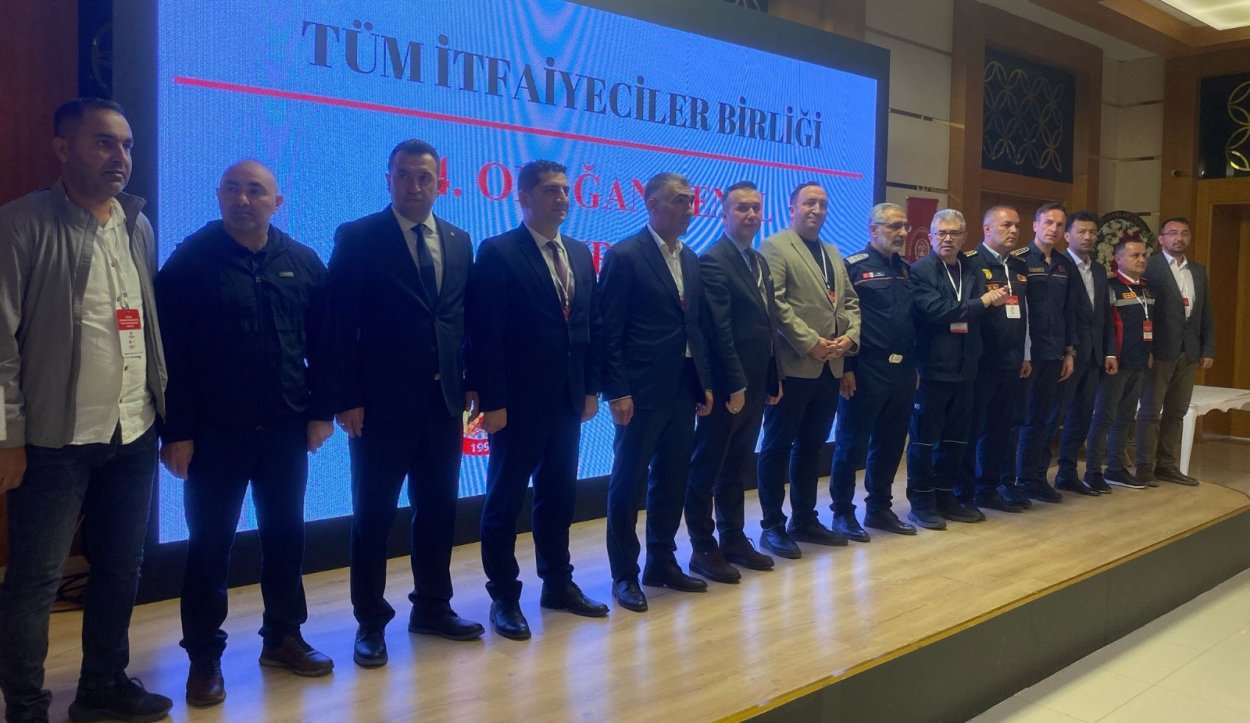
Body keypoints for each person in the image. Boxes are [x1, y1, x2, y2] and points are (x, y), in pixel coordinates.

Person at [0, 98, 173, 722]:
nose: (120, 157)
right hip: (52, 440)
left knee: (121, 567)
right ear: (62, 148)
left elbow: (143, 325)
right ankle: (25, 706)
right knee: (35, 580)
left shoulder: (136, 226)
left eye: (126, 145)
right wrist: (7, 436)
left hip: (133, 431)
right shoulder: (20, 224)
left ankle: (103, 686)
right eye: (103, 142)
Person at [155, 160, 335, 707]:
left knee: (286, 537)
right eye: (232, 189)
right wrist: (177, 431)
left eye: (256, 191)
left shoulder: (302, 261)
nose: (243, 199)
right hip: (214, 436)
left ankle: (283, 637)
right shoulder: (189, 262)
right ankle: (203, 658)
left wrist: (320, 412)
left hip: (284, 430)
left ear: (277, 203)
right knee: (210, 547)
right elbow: (169, 356)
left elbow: (326, 345)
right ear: (218, 196)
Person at [322, 139, 482, 668]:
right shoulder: (359, 236)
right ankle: (370, 621)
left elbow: (461, 320)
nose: (414, 186)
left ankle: (432, 607)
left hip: (443, 403)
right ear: (388, 179)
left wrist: (471, 381)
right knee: (373, 517)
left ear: (440, 183)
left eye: (424, 177)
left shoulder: (459, 240)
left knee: (437, 511)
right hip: (379, 407)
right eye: (404, 175)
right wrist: (347, 397)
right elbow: (339, 325)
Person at [466, 161, 609, 639]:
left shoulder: (579, 252)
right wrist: (493, 400)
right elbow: (485, 333)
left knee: (558, 496)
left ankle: (558, 584)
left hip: (567, 401)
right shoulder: (498, 251)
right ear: (524, 198)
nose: (562, 198)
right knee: (504, 502)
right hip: (515, 405)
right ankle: (504, 597)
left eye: (565, 190)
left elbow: (589, 327)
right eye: (550, 191)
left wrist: (590, 388)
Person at [600, 172, 715, 613]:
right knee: (627, 484)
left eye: (691, 200)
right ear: (652, 205)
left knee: (671, 479)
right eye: (680, 200)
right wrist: (617, 390)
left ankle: (661, 563)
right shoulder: (625, 255)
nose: (689, 209)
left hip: (682, 389)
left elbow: (694, 327)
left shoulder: (690, 258)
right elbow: (609, 330)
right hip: (640, 391)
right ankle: (624, 574)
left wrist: (703, 382)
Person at [683, 181, 782, 584]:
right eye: (742, 208)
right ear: (724, 215)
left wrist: (772, 376)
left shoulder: (758, 260)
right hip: (727, 387)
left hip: (756, 382)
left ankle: (733, 538)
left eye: (756, 208)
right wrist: (735, 385)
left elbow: (767, 325)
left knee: (737, 465)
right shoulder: (713, 260)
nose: (751, 215)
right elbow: (719, 331)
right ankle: (702, 547)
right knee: (706, 467)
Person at [755, 182, 861, 558]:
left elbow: (849, 302)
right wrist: (811, 342)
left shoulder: (832, 251)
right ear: (792, 208)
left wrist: (849, 339)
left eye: (823, 204)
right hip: (794, 365)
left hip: (830, 366)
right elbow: (776, 304)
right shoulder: (774, 247)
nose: (817, 209)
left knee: (811, 447)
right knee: (777, 446)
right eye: (809, 203)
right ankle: (772, 525)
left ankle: (804, 519)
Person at [906, 210, 1008, 530]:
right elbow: (938, 311)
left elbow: (977, 317)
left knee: (956, 440)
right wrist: (984, 302)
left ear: (964, 237)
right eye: (941, 233)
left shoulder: (972, 268)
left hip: (966, 367)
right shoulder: (920, 270)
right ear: (931, 237)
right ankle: (922, 502)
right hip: (932, 368)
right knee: (924, 441)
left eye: (954, 233)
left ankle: (946, 496)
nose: (947, 238)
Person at [828, 203, 918, 541]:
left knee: (891, 442)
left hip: (903, 368)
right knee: (851, 444)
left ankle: (879, 508)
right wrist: (846, 367)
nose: (902, 232)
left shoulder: (907, 269)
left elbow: (912, 321)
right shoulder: (853, 267)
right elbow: (841, 319)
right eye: (894, 226)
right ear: (873, 230)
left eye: (905, 226)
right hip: (866, 368)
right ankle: (842, 512)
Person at [963, 206, 1033, 513]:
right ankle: (964, 491)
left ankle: (989, 488)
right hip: (980, 361)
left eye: (1016, 225)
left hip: (1011, 360)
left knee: (1001, 428)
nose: (1014, 230)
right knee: (972, 429)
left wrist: (1026, 354)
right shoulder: (970, 262)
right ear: (987, 229)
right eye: (1006, 225)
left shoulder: (1019, 266)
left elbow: (1024, 313)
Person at [1135, 217, 1214, 486]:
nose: (1179, 238)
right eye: (1172, 233)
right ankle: (1144, 465)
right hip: (1158, 350)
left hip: (1189, 351)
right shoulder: (1149, 266)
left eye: (1184, 233)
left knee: (1176, 411)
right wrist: (1144, 348)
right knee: (1150, 411)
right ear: (1161, 239)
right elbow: (1142, 311)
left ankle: (1166, 465)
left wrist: (1208, 348)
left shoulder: (1198, 270)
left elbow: (1205, 312)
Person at [1014, 203, 1078, 504]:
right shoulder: (1019, 260)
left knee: (1044, 420)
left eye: (1059, 225)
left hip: (1054, 354)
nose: (1053, 229)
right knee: (1019, 419)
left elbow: (1070, 311)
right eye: (1048, 222)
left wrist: (1069, 352)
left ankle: (1035, 478)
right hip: (1027, 355)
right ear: (1035, 225)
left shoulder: (1065, 265)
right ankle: (1011, 480)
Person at [1054, 211, 1116, 495]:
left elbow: (1104, 315)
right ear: (1067, 235)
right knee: (1053, 417)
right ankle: (1033, 477)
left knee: (1081, 417)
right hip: (1066, 355)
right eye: (1082, 232)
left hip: (1093, 355)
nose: (1088, 237)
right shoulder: (1058, 265)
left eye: (1092, 232)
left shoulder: (1099, 270)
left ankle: (1067, 473)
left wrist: (1109, 352)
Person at [1087, 239, 1152, 489]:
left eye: (1144, 255)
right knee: (1104, 417)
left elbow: (1149, 325)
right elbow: (1104, 325)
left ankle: (1116, 468)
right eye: (1135, 255)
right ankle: (1093, 471)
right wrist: (1109, 354)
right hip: (1115, 363)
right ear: (1118, 258)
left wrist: (1149, 351)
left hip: (1139, 361)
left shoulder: (1146, 288)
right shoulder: (1110, 287)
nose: (1141, 259)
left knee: (1125, 417)